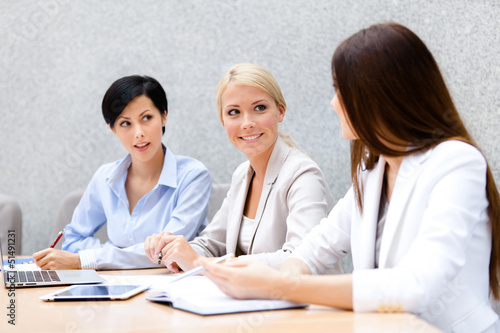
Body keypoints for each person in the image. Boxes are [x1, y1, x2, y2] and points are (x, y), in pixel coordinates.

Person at [198, 23, 500, 332]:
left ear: (381, 95)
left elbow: (415, 286)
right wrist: (276, 276)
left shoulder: (456, 162)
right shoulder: (372, 170)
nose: (333, 103)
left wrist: (279, 287)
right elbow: (314, 249)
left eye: (341, 90)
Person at [144, 63, 337, 272]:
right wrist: (173, 248)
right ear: (223, 120)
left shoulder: (302, 175)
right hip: (256, 300)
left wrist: (209, 264)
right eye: (234, 112)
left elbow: (301, 258)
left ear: (280, 111)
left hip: (306, 303)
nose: (247, 123)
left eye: (259, 108)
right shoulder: (242, 176)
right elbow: (210, 244)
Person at [33, 75, 212, 270]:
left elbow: (166, 251)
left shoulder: (193, 176)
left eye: (146, 118)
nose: (138, 133)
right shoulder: (105, 177)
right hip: (115, 286)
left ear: (164, 116)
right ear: (113, 129)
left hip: (173, 288)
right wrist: (115, 252)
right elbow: (73, 238)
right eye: (125, 123)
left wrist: (88, 259)